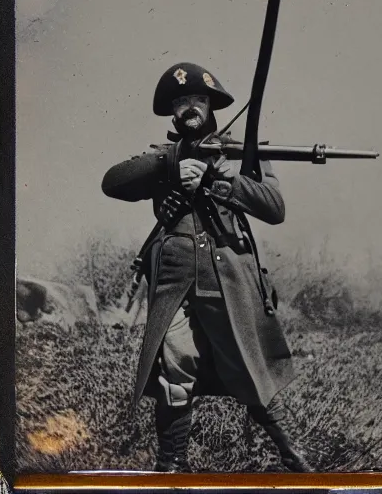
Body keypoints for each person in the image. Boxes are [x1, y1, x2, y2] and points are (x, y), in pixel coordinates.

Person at [101, 62, 313, 473]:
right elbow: (113, 182)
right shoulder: (163, 157)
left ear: (211, 105)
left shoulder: (240, 153)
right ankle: (171, 467)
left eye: (197, 99)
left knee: (246, 366)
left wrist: (224, 178)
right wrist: (170, 167)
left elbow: (275, 209)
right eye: (181, 102)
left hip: (226, 278)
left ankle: (294, 457)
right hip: (173, 283)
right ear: (173, 112)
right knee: (174, 371)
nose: (189, 108)